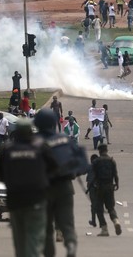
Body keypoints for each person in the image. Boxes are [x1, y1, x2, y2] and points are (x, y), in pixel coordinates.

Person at [0, 120, 55, 257]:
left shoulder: (6, 149)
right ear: (31, 132)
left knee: (19, 240)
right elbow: (54, 169)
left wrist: (12, 182)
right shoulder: (41, 147)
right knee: (33, 238)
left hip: (15, 200)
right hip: (37, 199)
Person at [34, 109, 87, 257]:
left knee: (46, 228)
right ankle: (70, 244)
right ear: (54, 123)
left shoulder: (33, 142)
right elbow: (82, 165)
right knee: (67, 223)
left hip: (43, 189)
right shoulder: (65, 140)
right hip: (65, 187)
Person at [91, 144, 122, 236]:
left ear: (99, 151)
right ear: (107, 150)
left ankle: (104, 229)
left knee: (98, 208)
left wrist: (93, 185)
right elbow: (115, 174)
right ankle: (116, 221)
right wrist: (116, 184)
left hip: (100, 188)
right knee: (111, 207)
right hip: (110, 187)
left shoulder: (96, 161)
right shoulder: (112, 161)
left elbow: (93, 175)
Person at [86, 154, 99, 227]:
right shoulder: (100, 167)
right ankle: (101, 222)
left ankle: (94, 221)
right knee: (98, 204)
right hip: (100, 187)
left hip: (92, 188)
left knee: (93, 205)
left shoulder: (90, 166)